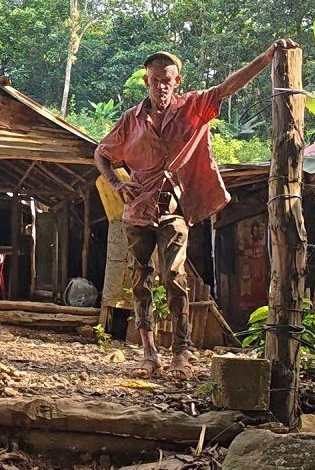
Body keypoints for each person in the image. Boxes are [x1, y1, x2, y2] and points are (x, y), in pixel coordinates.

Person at [95, 41, 297, 380]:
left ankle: (182, 351)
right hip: (137, 212)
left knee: (174, 278)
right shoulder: (132, 120)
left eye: (167, 79)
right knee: (140, 281)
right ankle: (148, 352)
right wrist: (117, 185)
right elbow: (102, 153)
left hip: (174, 210)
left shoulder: (193, 107)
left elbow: (228, 87)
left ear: (177, 81)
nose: (161, 85)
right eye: (155, 79)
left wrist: (265, 57)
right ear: (147, 81)